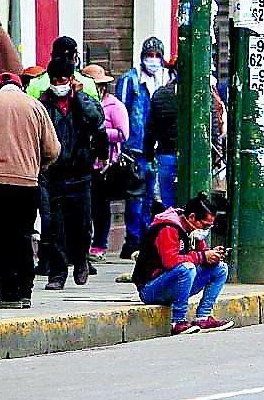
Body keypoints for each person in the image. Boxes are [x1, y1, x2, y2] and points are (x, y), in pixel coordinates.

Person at [0, 72, 61, 308]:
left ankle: (7, 292)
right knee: (22, 235)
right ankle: (24, 292)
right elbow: (52, 148)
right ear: (21, 87)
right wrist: (38, 165)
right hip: (26, 183)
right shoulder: (35, 106)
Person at [37, 57, 106, 290]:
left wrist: (80, 97)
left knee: (82, 224)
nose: (59, 84)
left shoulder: (84, 101)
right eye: (55, 80)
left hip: (81, 172)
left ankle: (81, 261)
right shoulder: (43, 104)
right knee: (55, 226)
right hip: (53, 172)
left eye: (63, 80)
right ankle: (57, 273)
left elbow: (98, 122)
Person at [132, 196, 232, 334]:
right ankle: (178, 321)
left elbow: (201, 254)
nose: (206, 230)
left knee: (220, 268)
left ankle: (203, 317)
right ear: (192, 217)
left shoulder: (194, 233)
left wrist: (212, 256)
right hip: (151, 289)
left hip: (174, 284)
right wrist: (203, 256)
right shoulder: (168, 227)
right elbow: (171, 261)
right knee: (187, 268)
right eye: (204, 225)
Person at [116, 37, 168, 257]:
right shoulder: (131, 80)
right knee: (135, 197)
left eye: (157, 56)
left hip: (158, 147)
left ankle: (148, 241)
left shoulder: (165, 80)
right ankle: (134, 241)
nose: (153, 60)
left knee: (152, 199)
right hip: (135, 149)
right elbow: (121, 111)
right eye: (150, 55)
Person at [83, 64, 129, 260]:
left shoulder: (114, 105)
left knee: (101, 207)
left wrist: (99, 132)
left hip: (104, 165)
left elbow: (123, 134)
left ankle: (100, 243)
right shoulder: (81, 103)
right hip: (83, 162)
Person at [143, 64, 180, 210]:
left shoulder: (161, 95)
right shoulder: (201, 94)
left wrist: (149, 155)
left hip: (166, 154)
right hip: (194, 156)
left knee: (169, 204)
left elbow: (150, 130)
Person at [27, 37, 99, 100]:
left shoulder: (35, 83)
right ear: (75, 57)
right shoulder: (87, 83)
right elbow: (97, 112)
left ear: (52, 56)